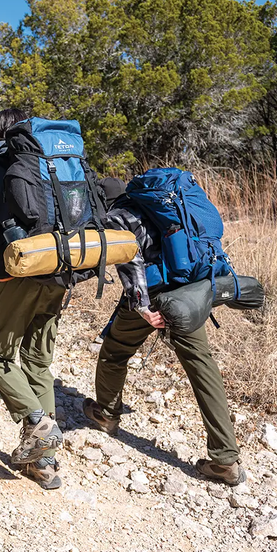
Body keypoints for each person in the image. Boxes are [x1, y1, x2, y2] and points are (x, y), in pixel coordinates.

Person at [83, 179, 246, 486]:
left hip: (155, 295)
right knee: (201, 366)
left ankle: (106, 414)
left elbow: (131, 259)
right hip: (189, 291)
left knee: (115, 351)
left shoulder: (116, 217)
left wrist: (142, 306)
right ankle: (225, 459)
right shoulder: (162, 207)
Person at [0, 108, 65, 490]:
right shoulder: (53, 164)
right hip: (60, 271)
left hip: (15, 274)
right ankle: (45, 464)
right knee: (38, 362)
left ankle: (37, 422)